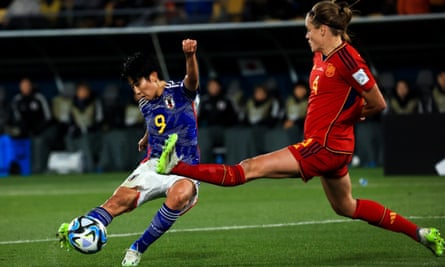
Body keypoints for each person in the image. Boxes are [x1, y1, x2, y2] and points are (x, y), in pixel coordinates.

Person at [156, 1, 444, 257]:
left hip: (324, 146)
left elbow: (378, 102)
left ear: (323, 30)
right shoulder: (321, 57)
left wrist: (349, 116)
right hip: (332, 147)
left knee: (247, 168)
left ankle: (176, 167)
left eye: (309, 29)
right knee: (346, 207)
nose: (306, 35)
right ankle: (420, 233)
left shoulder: (348, 59)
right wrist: (345, 116)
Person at [57, 38, 201, 267]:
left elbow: (192, 80)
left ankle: (136, 249)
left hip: (185, 166)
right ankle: (80, 226)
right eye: (132, 87)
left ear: (153, 77)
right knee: (118, 201)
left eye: (137, 84)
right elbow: (156, 121)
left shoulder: (180, 92)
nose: (136, 91)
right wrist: (146, 137)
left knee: (181, 194)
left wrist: (189, 56)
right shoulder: (145, 103)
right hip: (154, 164)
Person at [197, 77, 238, 163]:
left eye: (215, 85)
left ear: (219, 87)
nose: (213, 88)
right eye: (211, 86)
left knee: (233, 135)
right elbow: (199, 118)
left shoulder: (227, 100)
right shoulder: (204, 101)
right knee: (202, 135)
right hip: (210, 130)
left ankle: (233, 165)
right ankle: (206, 166)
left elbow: (235, 117)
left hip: (225, 130)